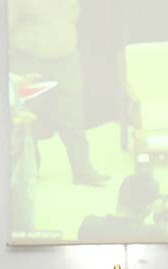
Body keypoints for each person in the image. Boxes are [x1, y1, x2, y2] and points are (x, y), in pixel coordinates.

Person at [8, 0, 109, 186]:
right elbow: (6, 25)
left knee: (74, 117)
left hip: (67, 59)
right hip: (27, 58)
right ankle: (30, 169)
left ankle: (83, 170)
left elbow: (74, 17)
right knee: (27, 117)